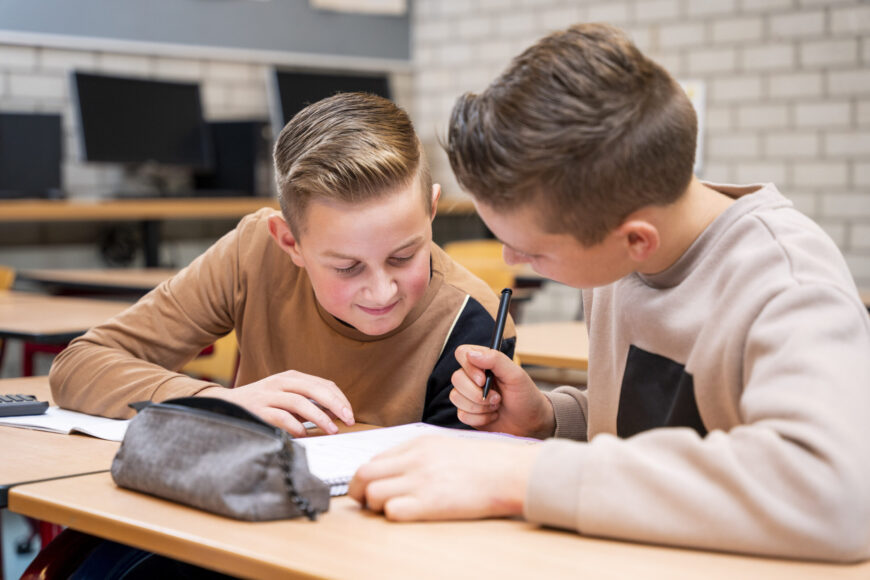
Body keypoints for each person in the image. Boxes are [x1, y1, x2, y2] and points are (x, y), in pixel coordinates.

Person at [349, 23, 870, 562]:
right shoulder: (618, 251)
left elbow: (838, 498)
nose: (511, 261)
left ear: (635, 241)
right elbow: (652, 425)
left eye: (533, 250)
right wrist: (552, 422)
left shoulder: (788, 284)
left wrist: (525, 475)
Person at [50, 92, 515, 435]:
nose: (382, 290)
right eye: (347, 267)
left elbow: (452, 482)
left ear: (432, 211)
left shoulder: (474, 321)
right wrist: (220, 403)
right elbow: (79, 366)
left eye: (403, 256)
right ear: (289, 241)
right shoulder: (255, 250)